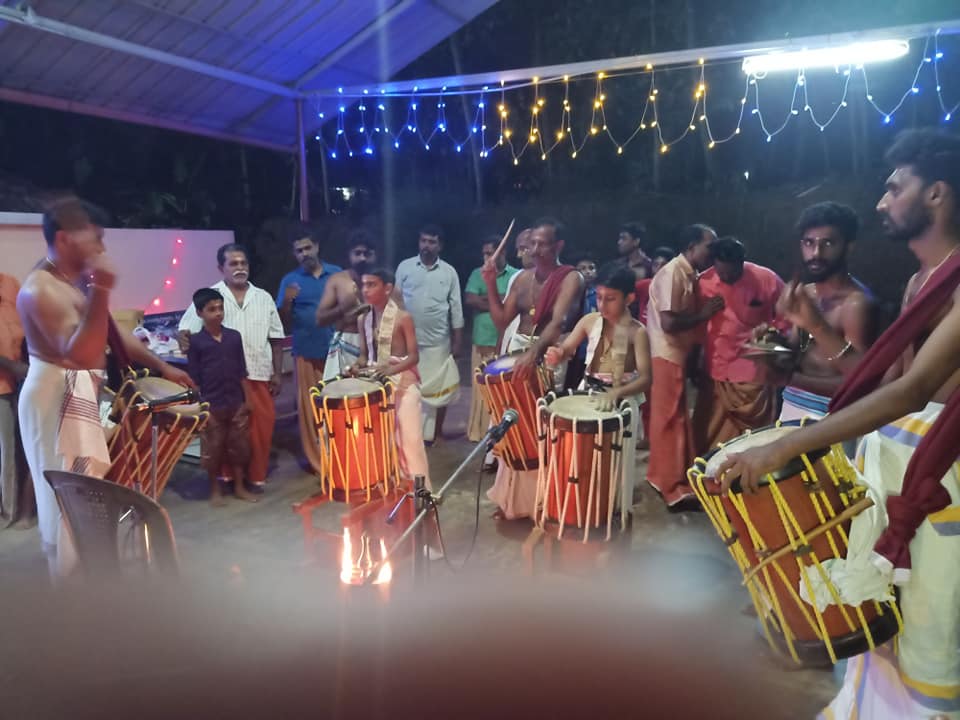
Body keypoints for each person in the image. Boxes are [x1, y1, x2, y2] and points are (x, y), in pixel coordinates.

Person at [715, 129, 960, 719]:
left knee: (926, 635)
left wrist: (788, 446)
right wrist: (815, 329)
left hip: (940, 486)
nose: (881, 201)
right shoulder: (920, 282)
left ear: (937, 195)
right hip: (894, 473)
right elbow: (882, 379)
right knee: (880, 624)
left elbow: (916, 390)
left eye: (894, 187)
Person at [16, 197, 194, 573]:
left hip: (75, 392)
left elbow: (110, 332)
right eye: (94, 239)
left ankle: (90, 575)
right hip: (53, 398)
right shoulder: (40, 289)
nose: (101, 249)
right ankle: (69, 591)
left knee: (87, 495)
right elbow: (80, 353)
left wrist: (162, 366)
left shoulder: (73, 282)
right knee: (65, 503)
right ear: (64, 240)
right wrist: (100, 290)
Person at [482, 217, 584, 519]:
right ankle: (512, 501)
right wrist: (489, 284)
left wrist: (534, 353)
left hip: (549, 353)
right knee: (512, 428)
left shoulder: (570, 278)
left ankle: (543, 502)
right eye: (533, 243)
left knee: (540, 429)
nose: (535, 249)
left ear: (558, 246)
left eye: (543, 244)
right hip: (519, 351)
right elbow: (502, 320)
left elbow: (559, 323)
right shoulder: (522, 279)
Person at [545, 266, 651, 511]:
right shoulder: (590, 321)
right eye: (599, 297)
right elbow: (567, 350)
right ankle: (584, 506)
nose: (602, 305)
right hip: (589, 395)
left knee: (617, 462)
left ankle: (612, 509)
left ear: (629, 299)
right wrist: (557, 353)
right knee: (585, 457)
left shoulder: (637, 332)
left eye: (611, 299)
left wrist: (615, 393)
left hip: (622, 401)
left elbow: (646, 379)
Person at [178, 244, 284, 488]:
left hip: (258, 373)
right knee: (224, 431)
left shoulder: (263, 297)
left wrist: (277, 374)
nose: (240, 268)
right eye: (233, 264)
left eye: (243, 263)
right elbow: (185, 330)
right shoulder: (210, 296)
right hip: (222, 379)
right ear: (221, 268)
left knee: (260, 428)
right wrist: (183, 338)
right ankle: (225, 478)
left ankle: (256, 476)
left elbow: (276, 339)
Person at [765, 202, 879, 420]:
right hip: (791, 406)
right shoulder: (805, 293)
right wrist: (769, 344)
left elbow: (861, 383)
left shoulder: (856, 305)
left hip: (833, 416)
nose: (816, 253)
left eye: (828, 243)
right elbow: (797, 350)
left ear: (849, 246)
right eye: (809, 243)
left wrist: (788, 378)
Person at [645, 224, 722, 509]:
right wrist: (703, 315)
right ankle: (670, 485)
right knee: (670, 421)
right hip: (665, 354)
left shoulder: (688, 273)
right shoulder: (673, 273)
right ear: (691, 247)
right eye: (708, 246)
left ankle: (666, 476)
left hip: (675, 354)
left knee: (674, 418)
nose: (712, 252)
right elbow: (669, 322)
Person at [691, 237, 785, 455]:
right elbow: (695, 328)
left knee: (754, 434)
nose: (726, 278)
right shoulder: (703, 283)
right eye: (721, 274)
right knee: (709, 429)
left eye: (732, 274)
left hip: (753, 368)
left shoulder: (766, 279)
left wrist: (771, 334)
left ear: (742, 263)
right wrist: (695, 357)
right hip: (716, 365)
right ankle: (710, 472)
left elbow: (787, 316)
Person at [353, 269, 430, 490]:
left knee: (411, 442)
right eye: (364, 284)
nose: (365, 290)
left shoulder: (403, 317)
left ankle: (420, 496)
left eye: (372, 284)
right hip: (378, 385)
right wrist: (356, 367)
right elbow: (364, 356)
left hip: (404, 384)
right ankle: (392, 497)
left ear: (387, 288)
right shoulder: (363, 319)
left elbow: (414, 356)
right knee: (383, 443)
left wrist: (390, 370)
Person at [277, 227, 341, 475]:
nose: (304, 254)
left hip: (336, 352)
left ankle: (341, 454)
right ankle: (320, 461)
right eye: (298, 250)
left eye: (307, 248)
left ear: (317, 247)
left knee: (337, 405)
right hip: (305, 352)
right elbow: (283, 320)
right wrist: (288, 301)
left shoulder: (336, 274)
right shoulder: (289, 281)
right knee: (311, 409)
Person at [394, 224, 464, 444]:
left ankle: (438, 432)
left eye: (432, 242)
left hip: (438, 342)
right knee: (408, 387)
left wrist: (458, 341)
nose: (426, 246)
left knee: (440, 388)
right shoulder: (405, 267)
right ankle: (410, 432)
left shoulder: (449, 272)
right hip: (409, 342)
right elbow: (396, 302)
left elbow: (456, 307)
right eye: (423, 241)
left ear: (440, 245)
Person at [187, 289, 256, 506]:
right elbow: (195, 377)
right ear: (200, 313)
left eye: (220, 308)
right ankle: (215, 489)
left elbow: (241, 370)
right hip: (211, 403)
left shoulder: (234, 337)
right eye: (211, 309)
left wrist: (248, 398)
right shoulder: (197, 343)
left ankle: (239, 487)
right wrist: (199, 404)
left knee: (239, 445)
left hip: (235, 400)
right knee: (213, 447)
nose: (218, 313)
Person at [464, 235, 519, 445]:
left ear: (502, 252)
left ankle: (500, 435)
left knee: (500, 391)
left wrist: (488, 299)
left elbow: (513, 304)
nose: (487, 258)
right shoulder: (478, 273)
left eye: (490, 253)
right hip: (482, 338)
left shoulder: (516, 275)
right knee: (479, 389)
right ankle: (477, 433)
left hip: (504, 342)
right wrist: (500, 302)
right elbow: (470, 299)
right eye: (485, 253)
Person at [315, 231, 378, 381]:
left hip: (375, 348)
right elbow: (320, 319)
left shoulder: (384, 282)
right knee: (343, 400)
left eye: (367, 253)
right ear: (349, 255)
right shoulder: (337, 281)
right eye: (357, 253)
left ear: (374, 255)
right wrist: (342, 308)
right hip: (347, 347)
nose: (362, 258)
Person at [0, 273, 30, 524]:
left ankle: (13, 509)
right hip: (4, 382)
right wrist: (13, 367)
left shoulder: (10, 284)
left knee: (12, 452)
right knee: (5, 453)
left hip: (18, 384)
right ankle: (8, 513)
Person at [635, 246, 676, 325]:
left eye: (663, 265)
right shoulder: (645, 285)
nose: (658, 269)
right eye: (655, 264)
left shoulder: (677, 291)